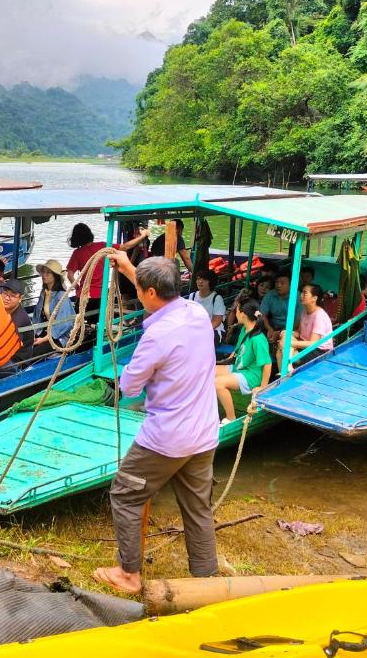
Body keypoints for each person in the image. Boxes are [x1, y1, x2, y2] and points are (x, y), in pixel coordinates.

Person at [92, 254, 219, 595]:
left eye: (141, 288)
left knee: (124, 495)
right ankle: (207, 579)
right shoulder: (196, 312)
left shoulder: (157, 336)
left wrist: (127, 374)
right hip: (205, 433)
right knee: (197, 507)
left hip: (167, 438)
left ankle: (129, 574)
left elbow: (130, 386)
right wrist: (130, 269)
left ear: (149, 293)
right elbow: (157, 292)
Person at [215, 298, 272, 423]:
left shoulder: (258, 339)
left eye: (236, 311)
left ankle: (230, 417)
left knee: (218, 383)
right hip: (238, 368)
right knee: (208, 372)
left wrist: (263, 387)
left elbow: (267, 364)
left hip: (250, 376)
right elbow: (237, 353)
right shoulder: (244, 329)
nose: (235, 314)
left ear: (243, 314)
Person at [278, 283, 334, 370]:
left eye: (305, 293)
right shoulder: (304, 311)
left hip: (319, 351)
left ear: (314, 298)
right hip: (305, 344)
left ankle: (287, 371)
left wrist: (290, 343)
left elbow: (313, 343)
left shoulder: (319, 316)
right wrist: (288, 333)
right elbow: (300, 333)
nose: (301, 295)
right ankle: (285, 372)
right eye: (302, 293)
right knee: (284, 340)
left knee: (284, 348)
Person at [66, 223, 106, 319]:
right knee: (98, 322)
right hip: (101, 294)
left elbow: (69, 275)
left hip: (84, 294)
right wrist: (142, 236)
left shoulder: (77, 253)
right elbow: (124, 247)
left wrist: (77, 287)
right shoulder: (102, 246)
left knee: (80, 323)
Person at [32, 260, 75, 349]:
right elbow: (37, 316)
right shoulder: (44, 293)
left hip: (58, 337)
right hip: (44, 331)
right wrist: (34, 333)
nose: (44, 275)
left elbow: (65, 324)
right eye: (43, 272)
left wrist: (43, 339)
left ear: (55, 276)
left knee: (33, 353)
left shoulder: (61, 296)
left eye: (48, 273)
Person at [188, 268, 226, 345]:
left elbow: (216, 322)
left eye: (204, 279)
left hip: (214, 331)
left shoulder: (217, 298)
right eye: (198, 279)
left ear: (210, 282)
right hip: (195, 330)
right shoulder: (192, 296)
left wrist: (201, 330)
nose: (200, 281)